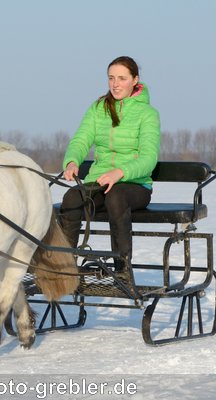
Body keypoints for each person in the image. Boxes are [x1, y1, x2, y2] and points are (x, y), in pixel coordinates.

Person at [60, 56, 160, 270]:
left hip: (135, 185)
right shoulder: (99, 108)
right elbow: (80, 140)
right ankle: (65, 269)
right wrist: (71, 162)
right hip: (100, 181)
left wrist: (120, 173)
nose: (115, 84)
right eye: (111, 78)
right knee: (71, 198)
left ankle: (122, 271)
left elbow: (148, 159)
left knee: (116, 198)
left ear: (135, 80)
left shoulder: (148, 114)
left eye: (122, 78)